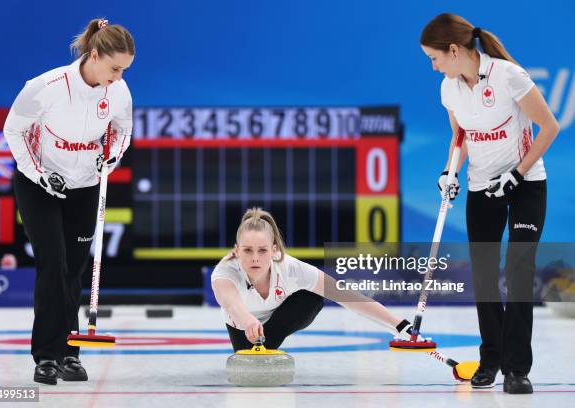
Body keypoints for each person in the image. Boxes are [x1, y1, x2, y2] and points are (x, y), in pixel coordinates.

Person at [420, 13, 559, 394]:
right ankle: (491, 359)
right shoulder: (449, 88)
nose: (433, 67)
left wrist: (517, 173)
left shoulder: (507, 76)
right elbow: (460, 136)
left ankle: (517, 369)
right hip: (482, 188)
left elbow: (549, 127)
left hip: (526, 184)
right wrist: (449, 172)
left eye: (434, 58)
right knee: (483, 275)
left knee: (517, 270)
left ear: (453, 50)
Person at [3, 18, 135, 385]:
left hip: (85, 183)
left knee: (73, 270)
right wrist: (39, 174)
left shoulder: (118, 92)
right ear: (94, 55)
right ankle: (46, 356)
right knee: (52, 264)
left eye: (124, 70)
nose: (119, 76)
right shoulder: (46, 86)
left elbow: (123, 130)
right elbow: (12, 130)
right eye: (115, 68)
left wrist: (113, 156)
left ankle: (69, 353)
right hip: (39, 183)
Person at [211, 208, 424, 354]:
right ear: (237, 251)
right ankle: (259, 348)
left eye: (262, 250)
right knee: (246, 361)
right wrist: (248, 321)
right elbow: (232, 303)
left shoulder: (290, 268)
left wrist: (399, 325)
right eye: (247, 250)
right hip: (242, 324)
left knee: (314, 294)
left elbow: (348, 296)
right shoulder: (224, 273)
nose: (255, 258)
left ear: (274, 251)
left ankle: (269, 345)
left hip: (280, 319)